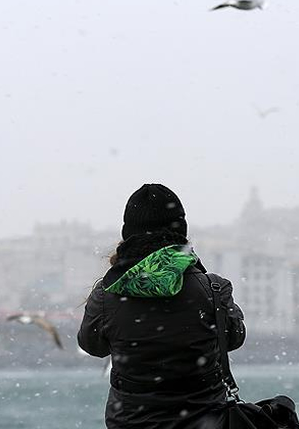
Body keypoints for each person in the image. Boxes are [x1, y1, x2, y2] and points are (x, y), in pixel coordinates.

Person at [78, 184, 246, 429]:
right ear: (181, 231)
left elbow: (92, 346)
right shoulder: (213, 289)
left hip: (133, 422)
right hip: (205, 420)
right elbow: (233, 338)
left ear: (128, 234)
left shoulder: (107, 294)